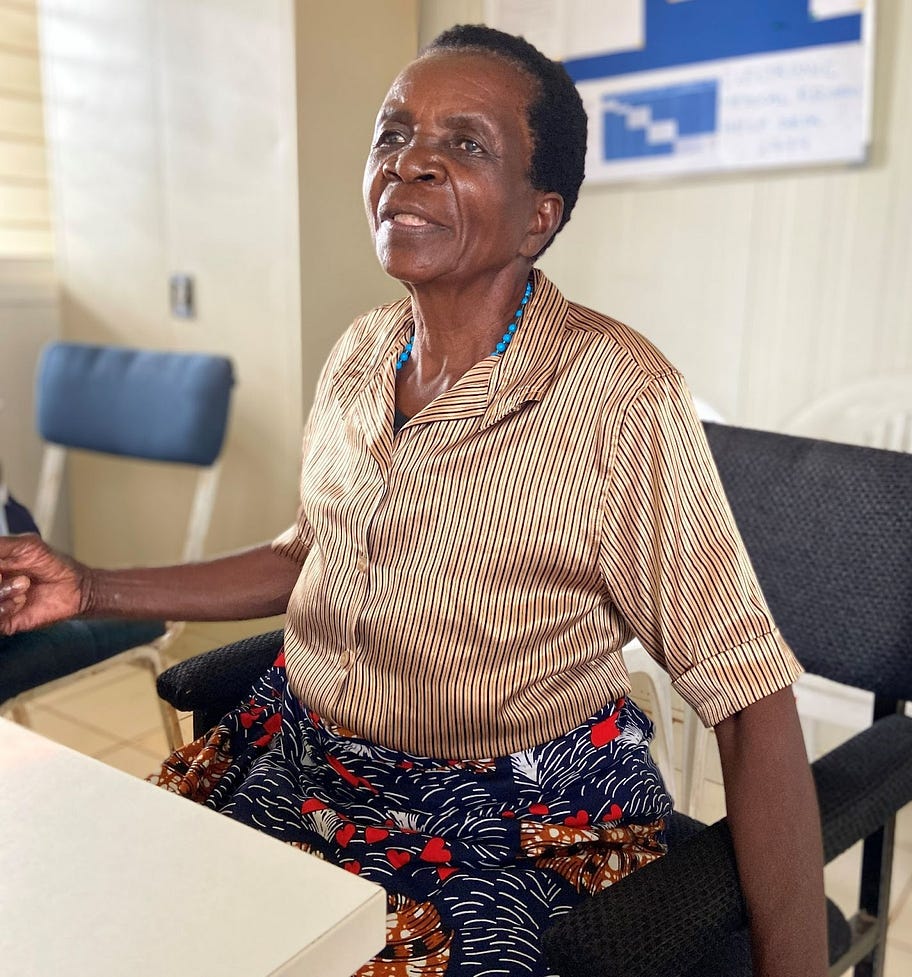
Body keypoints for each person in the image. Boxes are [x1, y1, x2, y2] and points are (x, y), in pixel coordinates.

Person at [0, 24, 827, 977]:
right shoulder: (360, 354)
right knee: (128, 916)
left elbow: (751, 700)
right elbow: (305, 556)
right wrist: (88, 584)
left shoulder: (617, 395)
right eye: (394, 135)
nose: (413, 164)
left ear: (537, 217)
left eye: (465, 144)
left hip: (506, 818)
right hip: (299, 758)